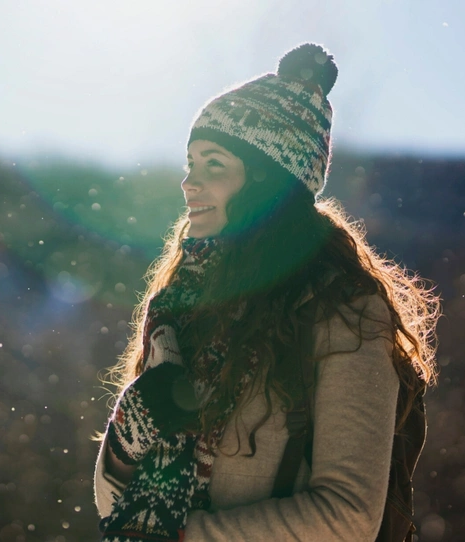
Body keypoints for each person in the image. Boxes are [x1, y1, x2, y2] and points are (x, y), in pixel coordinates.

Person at [93, 43, 440, 541]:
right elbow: (116, 509)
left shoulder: (342, 311)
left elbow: (349, 514)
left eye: (214, 165)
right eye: (190, 163)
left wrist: (183, 536)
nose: (190, 183)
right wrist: (126, 439)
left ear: (269, 185)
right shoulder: (181, 304)